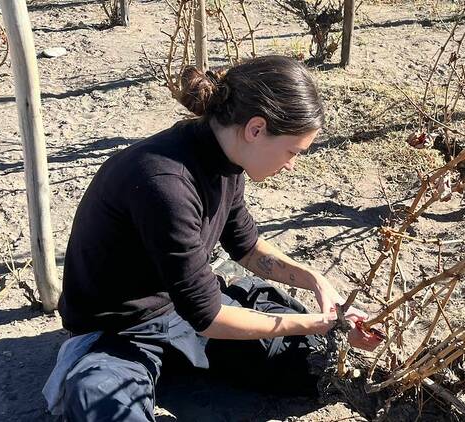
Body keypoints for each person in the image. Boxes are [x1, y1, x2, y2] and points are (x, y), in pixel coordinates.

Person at [48, 55, 382, 422]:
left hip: (183, 310)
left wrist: (315, 282)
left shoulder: (227, 158)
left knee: (313, 363)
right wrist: (316, 323)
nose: (291, 165)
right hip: (118, 332)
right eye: (292, 152)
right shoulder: (165, 183)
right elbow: (208, 317)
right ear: (256, 129)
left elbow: (247, 246)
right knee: (100, 404)